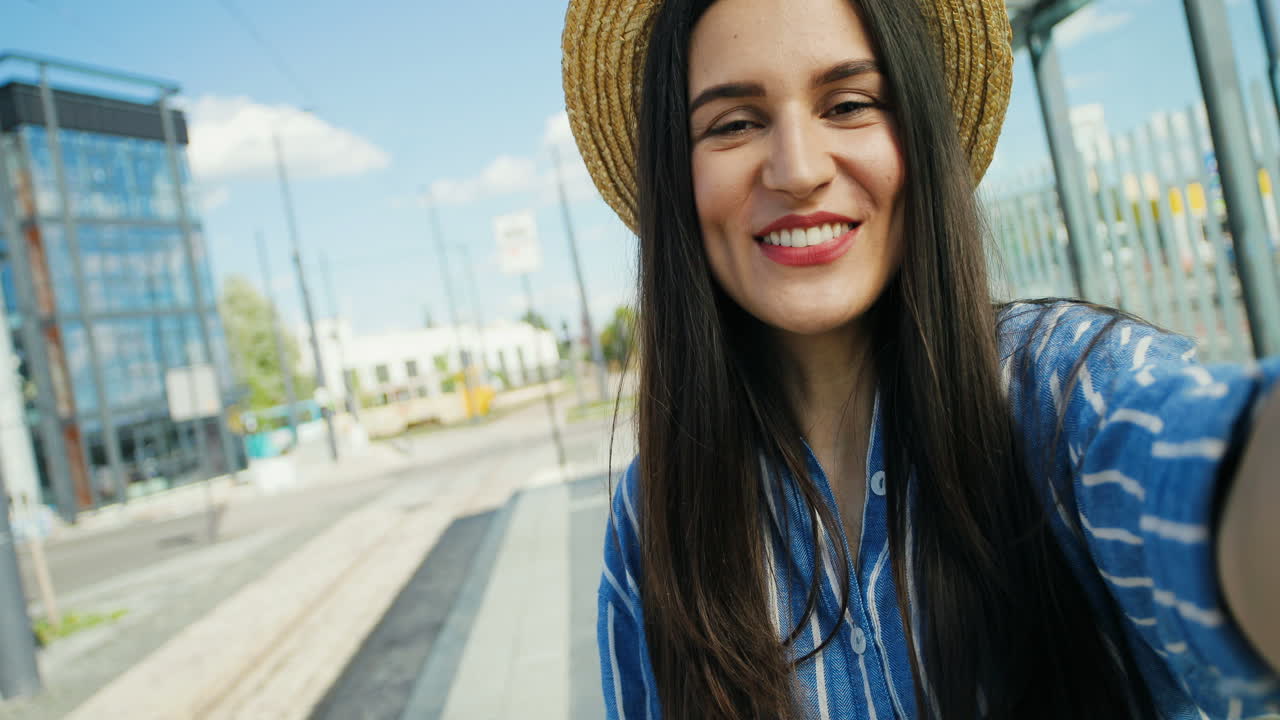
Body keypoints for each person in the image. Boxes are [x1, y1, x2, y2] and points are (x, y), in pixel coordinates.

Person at [559, 0, 1280, 717]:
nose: (799, 171)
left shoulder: (1067, 391)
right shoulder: (653, 516)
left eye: (849, 104)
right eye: (735, 123)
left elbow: (1214, 480)